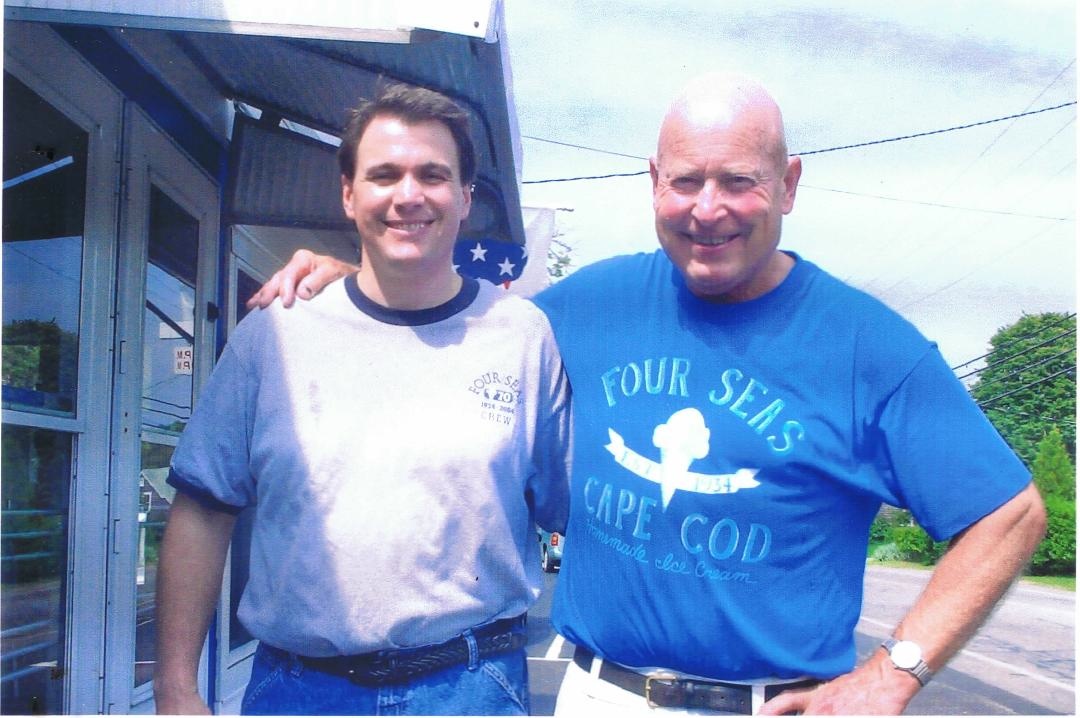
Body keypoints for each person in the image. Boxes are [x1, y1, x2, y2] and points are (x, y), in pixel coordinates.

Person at [249, 73, 1046, 716]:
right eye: (686, 181)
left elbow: (1010, 513)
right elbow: (469, 326)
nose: (708, 210)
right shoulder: (594, 303)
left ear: (789, 184)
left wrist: (895, 672)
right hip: (601, 694)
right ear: (654, 183)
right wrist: (362, 278)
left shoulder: (868, 346)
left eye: (739, 182)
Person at [153, 82, 571, 716]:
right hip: (297, 690)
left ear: (464, 198)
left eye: (433, 175)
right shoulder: (274, 336)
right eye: (384, 175)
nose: (408, 195)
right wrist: (175, 688)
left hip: (470, 688)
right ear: (349, 195)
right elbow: (202, 511)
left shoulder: (523, 337)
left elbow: (590, 518)